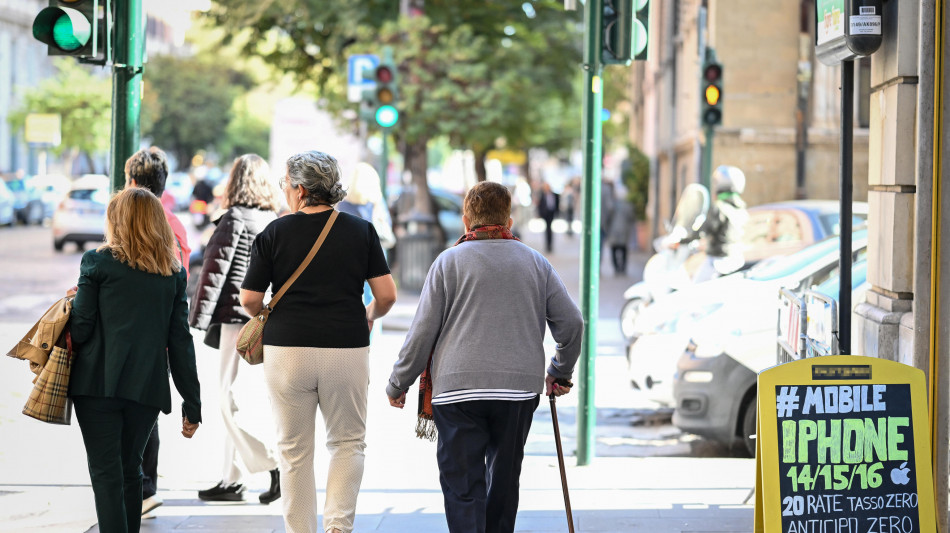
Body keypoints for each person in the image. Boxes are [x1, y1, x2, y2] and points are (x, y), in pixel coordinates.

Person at [386, 181, 584, 533]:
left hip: (457, 392)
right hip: (518, 391)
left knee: (463, 488)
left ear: (466, 220)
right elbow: (572, 323)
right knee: (504, 483)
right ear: (508, 220)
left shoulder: (448, 262)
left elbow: (422, 332)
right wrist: (559, 371)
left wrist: (398, 382)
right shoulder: (535, 263)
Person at [239, 150, 397, 533]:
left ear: (298, 189)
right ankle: (338, 527)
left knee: (294, 452)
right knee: (347, 443)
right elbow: (387, 294)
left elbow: (249, 300)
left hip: (287, 350)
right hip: (347, 347)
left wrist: (268, 312)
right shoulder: (361, 231)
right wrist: (368, 315)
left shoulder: (274, 232)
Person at [68, 187, 202, 533]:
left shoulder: (96, 263)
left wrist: (77, 300)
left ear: (118, 222)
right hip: (146, 388)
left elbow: (80, 330)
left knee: (105, 472)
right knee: (131, 472)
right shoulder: (172, 274)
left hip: (97, 385)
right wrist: (192, 402)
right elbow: (181, 341)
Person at [188, 154, 282, 504]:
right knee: (240, 400)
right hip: (264, 322)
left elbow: (213, 272)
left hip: (235, 320)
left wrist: (196, 320)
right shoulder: (273, 219)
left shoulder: (234, 219)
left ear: (235, 181)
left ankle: (275, 465)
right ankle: (232, 479)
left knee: (228, 400)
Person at [123, 146, 191, 518]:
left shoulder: (127, 219)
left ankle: (140, 487)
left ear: (133, 181)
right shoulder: (175, 224)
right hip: (162, 335)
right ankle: (146, 486)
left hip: (131, 335)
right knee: (147, 411)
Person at [693, 165, 749, 283]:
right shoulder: (741, 208)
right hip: (736, 258)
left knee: (695, 289)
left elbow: (705, 229)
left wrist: (692, 234)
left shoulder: (719, 207)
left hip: (718, 259)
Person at [606, 185, 636, 276]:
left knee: (614, 249)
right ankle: (622, 268)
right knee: (623, 249)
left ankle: (616, 268)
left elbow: (608, 216)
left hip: (613, 230)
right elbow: (632, 217)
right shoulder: (628, 206)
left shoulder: (613, 205)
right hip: (624, 230)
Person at [535, 181, 559, 253]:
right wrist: (539, 213)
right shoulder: (542, 195)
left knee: (549, 229)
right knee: (547, 229)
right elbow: (540, 205)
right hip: (545, 214)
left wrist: (557, 212)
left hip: (552, 213)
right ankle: (548, 245)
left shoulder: (555, 195)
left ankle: (550, 245)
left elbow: (557, 204)